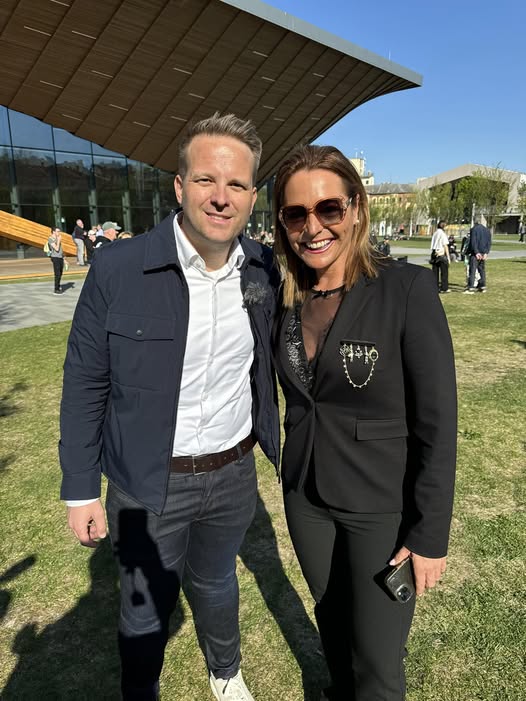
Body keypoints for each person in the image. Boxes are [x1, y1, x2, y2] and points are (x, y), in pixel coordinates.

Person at [59, 113, 280, 701]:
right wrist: (80, 489)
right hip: (146, 483)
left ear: (251, 196)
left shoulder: (265, 269)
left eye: (236, 184)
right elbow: (84, 381)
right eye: (206, 179)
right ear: (179, 186)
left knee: (216, 582)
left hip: (233, 474)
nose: (221, 196)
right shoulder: (118, 268)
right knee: (143, 606)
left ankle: (226, 671)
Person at [272, 145, 457, 701]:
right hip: (306, 497)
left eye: (328, 208)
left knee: (377, 661)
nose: (313, 227)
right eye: (296, 214)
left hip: (380, 506)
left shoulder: (406, 289)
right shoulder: (287, 297)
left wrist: (429, 534)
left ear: (355, 208)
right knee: (332, 625)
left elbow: (437, 423)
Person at [464, 220, 491, 294]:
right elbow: (489, 243)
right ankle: (482, 285)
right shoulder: (487, 230)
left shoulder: (474, 229)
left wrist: (476, 252)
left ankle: (471, 286)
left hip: (475, 253)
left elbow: (473, 242)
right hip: (483, 252)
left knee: (472, 270)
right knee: (482, 270)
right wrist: (486, 252)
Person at [430, 220, 450, 293]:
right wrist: (448, 257)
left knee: (435, 272)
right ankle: (444, 288)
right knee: (444, 272)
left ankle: (435, 287)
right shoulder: (442, 234)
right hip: (441, 253)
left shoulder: (435, 233)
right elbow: (445, 245)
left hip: (434, 253)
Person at [48, 226, 64, 294]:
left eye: (59, 231)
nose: (59, 233)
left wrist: (64, 258)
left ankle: (58, 285)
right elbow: (57, 249)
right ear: (53, 232)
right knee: (57, 273)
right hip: (55, 257)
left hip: (60, 257)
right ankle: (56, 288)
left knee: (60, 272)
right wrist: (58, 240)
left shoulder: (57, 238)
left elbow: (60, 249)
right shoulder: (50, 239)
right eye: (57, 231)